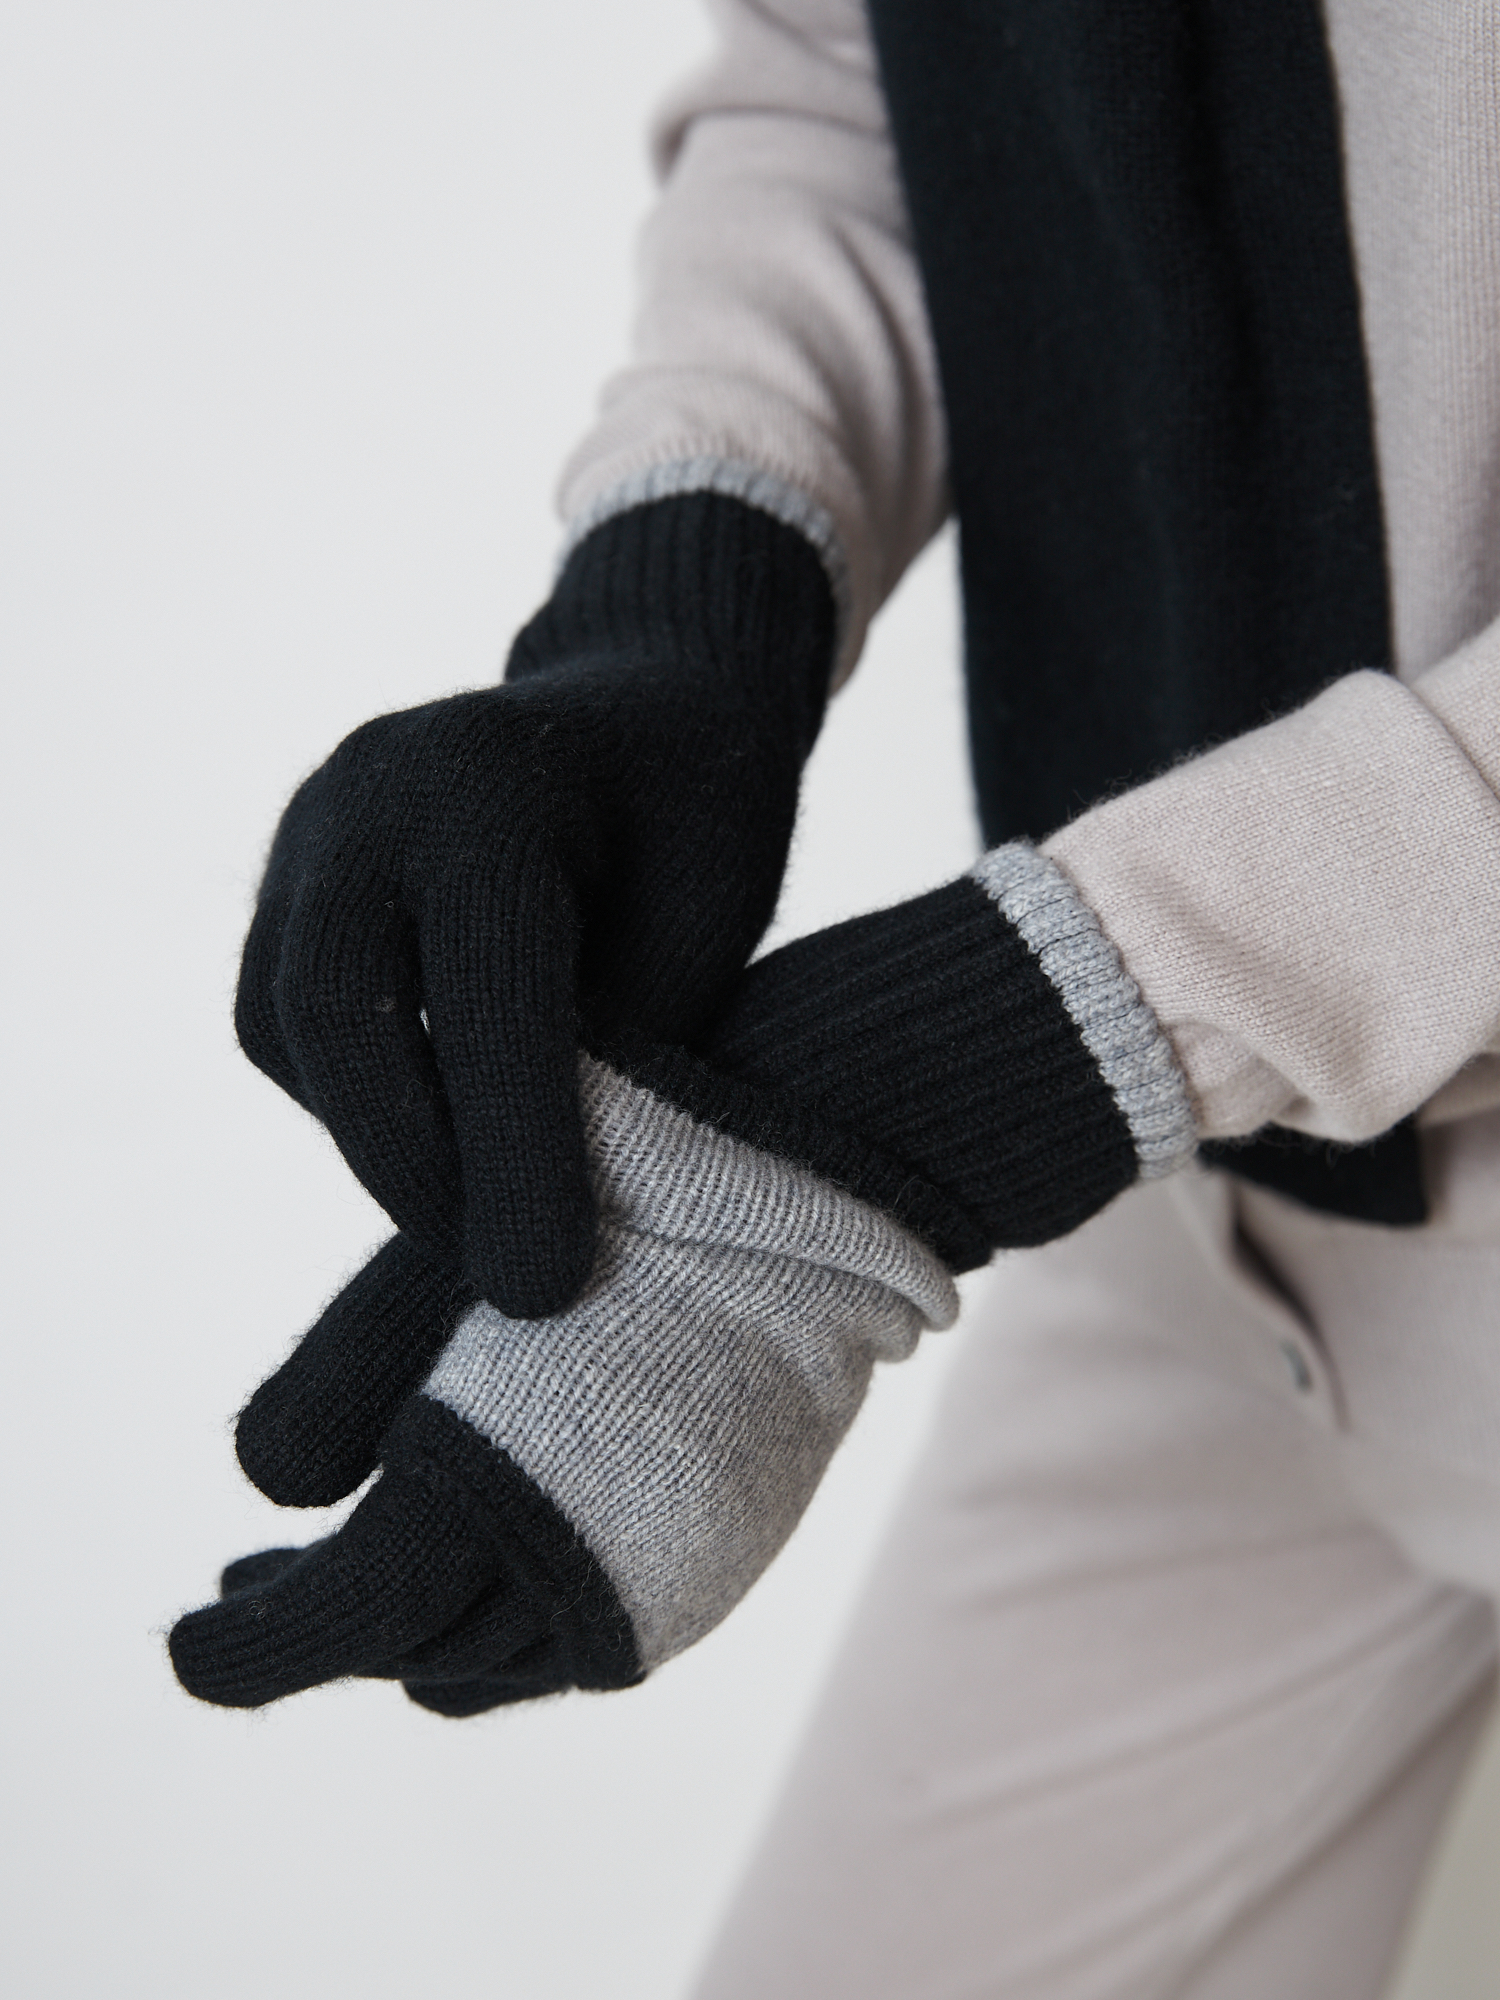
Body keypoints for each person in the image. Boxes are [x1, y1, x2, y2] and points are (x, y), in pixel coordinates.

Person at [171, 1, 1500, 1992]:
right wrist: (680, 605)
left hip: (1157, 1076)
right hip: (1212, 1224)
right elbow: (845, 74)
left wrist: (988, 1063)